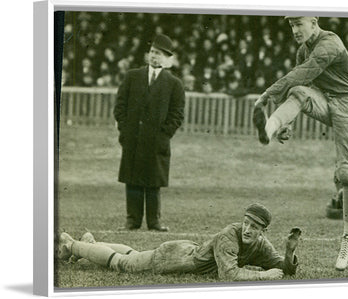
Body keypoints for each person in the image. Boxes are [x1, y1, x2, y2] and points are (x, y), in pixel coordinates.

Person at [252, 16, 348, 271]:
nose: (295, 30)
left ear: (314, 22)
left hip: (347, 104)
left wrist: (269, 93)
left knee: (347, 173)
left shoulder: (330, 43)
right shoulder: (302, 50)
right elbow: (302, 85)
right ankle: (269, 129)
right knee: (298, 92)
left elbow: (307, 70)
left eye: (299, 23)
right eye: (291, 25)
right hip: (324, 100)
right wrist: (286, 125)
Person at [57, 203, 301, 281]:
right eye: (246, 223)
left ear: (263, 232)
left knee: (133, 252)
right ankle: (71, 245)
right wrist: (262, 276)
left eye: (255, 227)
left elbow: (284, 269)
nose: (248, 229)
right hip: (172, 258)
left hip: (182, 251)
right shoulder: (230, 234)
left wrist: (289, 253)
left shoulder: (260, 244)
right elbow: (229, 274)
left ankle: (90, 243)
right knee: (122, 263)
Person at [113, 34, 185, 232]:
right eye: (153, 52)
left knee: (153, 182)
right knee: (133, 179)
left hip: (157, 141)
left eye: (159, 54)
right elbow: (120, 107)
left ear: (167, 58)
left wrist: (164, 135)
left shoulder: (174, 84)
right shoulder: (132, 76)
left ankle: (154, 222)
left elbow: (177, 115)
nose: (155, 56)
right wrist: (126, 131)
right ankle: (132, 220)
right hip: (133, 139)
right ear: (148, 54)